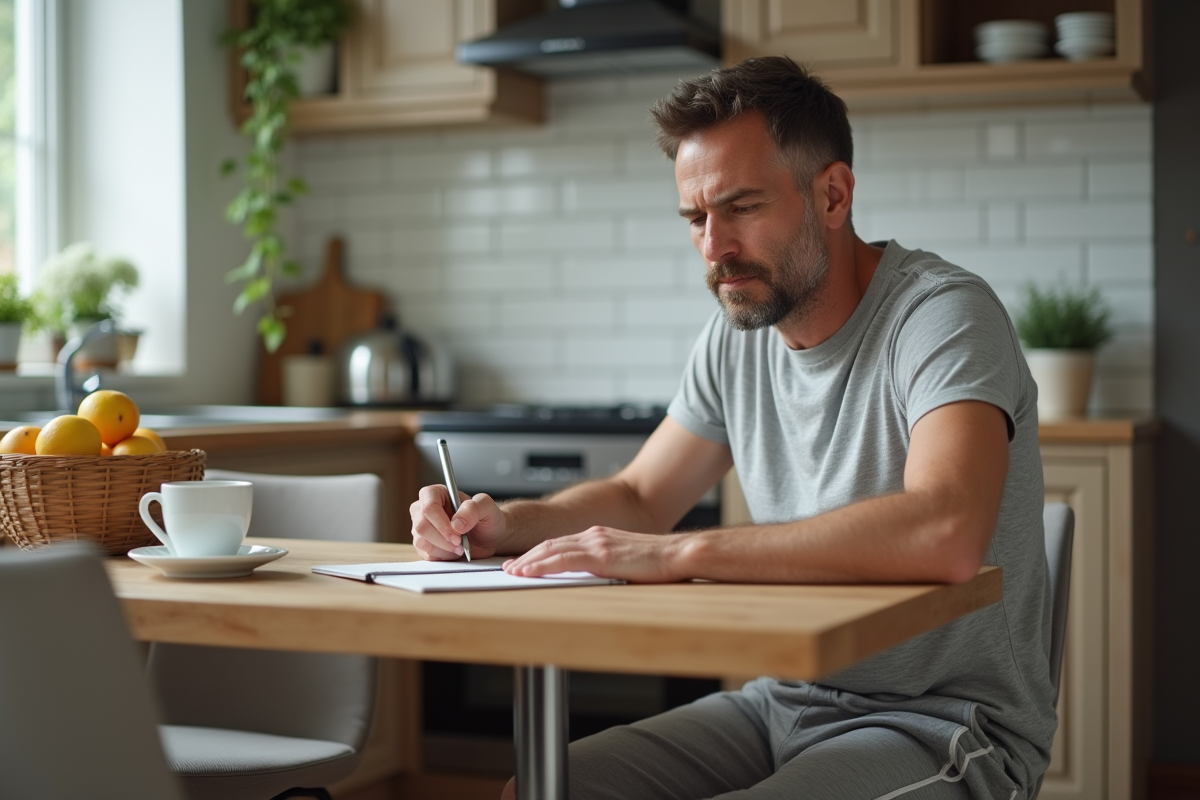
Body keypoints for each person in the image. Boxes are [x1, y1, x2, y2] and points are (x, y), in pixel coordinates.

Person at [410, 56, 1054, 800]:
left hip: (944, 724)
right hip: (783, 700)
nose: (714, 249)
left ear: (834, 195)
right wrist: (506, 523)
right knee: (544, 790)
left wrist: (682, 552)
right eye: (695, 218)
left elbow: (944, 530)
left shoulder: (941, 315)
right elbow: (641, 496)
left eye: (742, 208)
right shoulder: (738, 338)